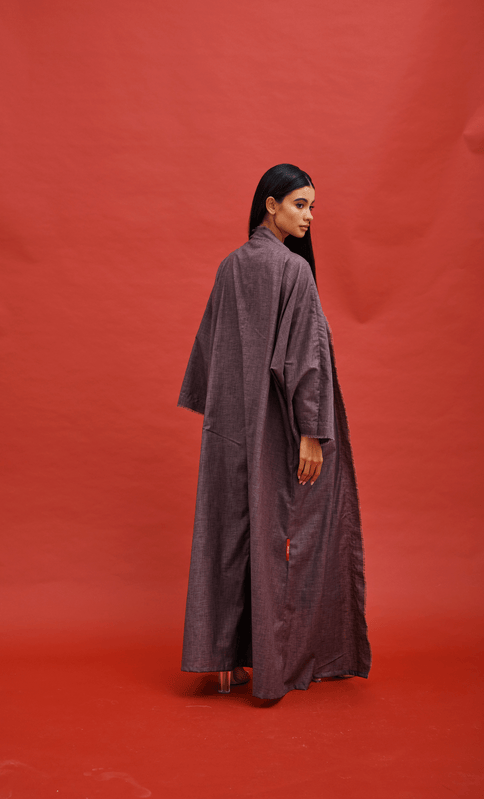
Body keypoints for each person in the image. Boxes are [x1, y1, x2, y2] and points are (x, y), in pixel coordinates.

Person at [178, 164, 371, 700]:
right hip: (274, 429)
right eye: (300, 204)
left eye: (312, 207)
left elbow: (209, 350)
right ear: (271, 204)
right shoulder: (293, 270)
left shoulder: (230, 266)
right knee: (288, 535)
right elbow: (304, 359)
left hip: (227, 428)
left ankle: (223, 661)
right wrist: (313, 432)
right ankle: (275, 659)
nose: (308, 217)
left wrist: (222, 410)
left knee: (227, 535)